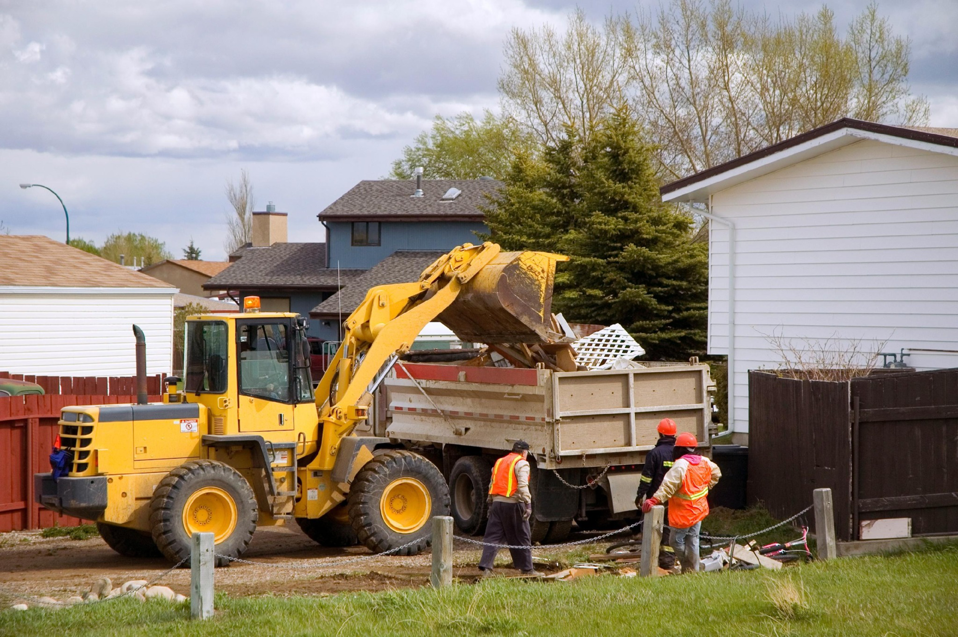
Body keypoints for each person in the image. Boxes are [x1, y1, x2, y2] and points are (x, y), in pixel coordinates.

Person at [643, 432, 721, 574]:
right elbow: (716, 473)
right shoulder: (705, 462)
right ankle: (694, 570)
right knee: (693, 541)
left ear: (679, 449)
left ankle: (688, 567)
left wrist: (654, 499)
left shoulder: (681, 465)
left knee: (675, 541)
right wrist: (707, 486)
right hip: (698, 509)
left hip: (683, 511)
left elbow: (668, 485)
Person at [478, 440, 540, 577]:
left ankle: (486, 568)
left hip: (497, 504)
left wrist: (490, 503)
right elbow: (523, 485)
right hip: (514, 503)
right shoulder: (522, 463)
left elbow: (492, 484)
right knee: (522, 535)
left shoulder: (500, 462)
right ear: (524, 452)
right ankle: (527, 569)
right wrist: (528, 504)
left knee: (493, 536)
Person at [635, 418, 677, 569]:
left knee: (649, 528)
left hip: (655, 499)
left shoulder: (654, 454)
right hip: (674, 499)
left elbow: (646, 478)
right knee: (669, 529)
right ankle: (667, 563)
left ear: (660, 433)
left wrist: (640, 495)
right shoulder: (680, 453)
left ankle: (649, 562)